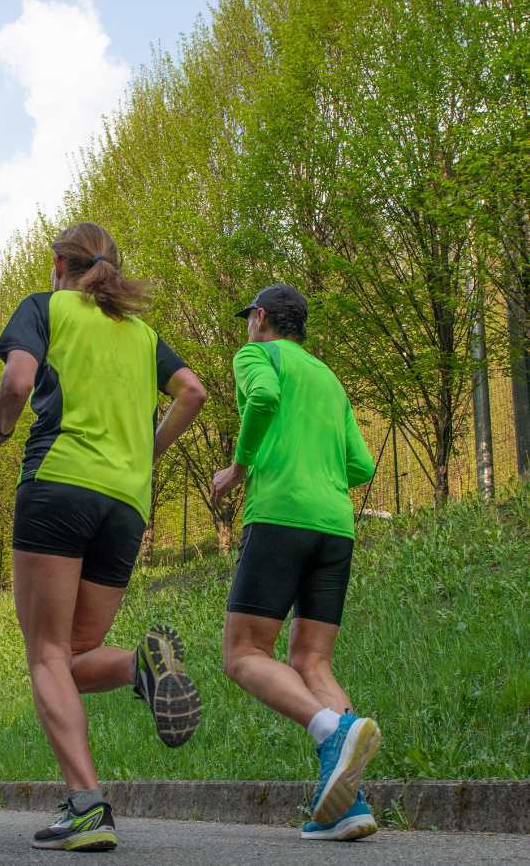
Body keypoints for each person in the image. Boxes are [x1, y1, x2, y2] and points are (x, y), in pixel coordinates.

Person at [0, 222, 207, 852]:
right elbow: (192, 391)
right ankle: (142, 666)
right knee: (76, 656)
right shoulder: (140, 334)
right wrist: (146, 453)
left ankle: (87, 806)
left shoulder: (43, 308)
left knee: (46, 657)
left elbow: (18, 383)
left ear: (59, 264)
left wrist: (1, 430)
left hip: (59, 484)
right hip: (126, 503)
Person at [211, 284, 381, 842]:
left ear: (260, 318)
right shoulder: (329, 379)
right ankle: (345, 807)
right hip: (335, 525)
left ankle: (331, 731)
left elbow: (260, 398)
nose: (247, 329)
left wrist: (240, 468)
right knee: (313, 662)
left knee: (243, 654)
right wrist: (319, 475)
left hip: (280, 517)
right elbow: (361, 464)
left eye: (249, 320)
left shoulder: (255, 355)